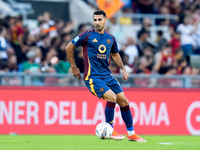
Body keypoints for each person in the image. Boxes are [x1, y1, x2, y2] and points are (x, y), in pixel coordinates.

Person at [65, 10, 146, 142]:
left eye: (99, 20)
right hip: (93, 78)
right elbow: (69, 47)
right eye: (95, 20)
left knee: (124, 101)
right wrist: (74, 67)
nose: (97, 22)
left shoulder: (110, 38)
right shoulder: (86, 36)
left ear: (105, 20)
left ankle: (131, 134)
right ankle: (110, 128)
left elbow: (115, 54)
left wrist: (123, 69)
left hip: (108, 76)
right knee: (112, 97)